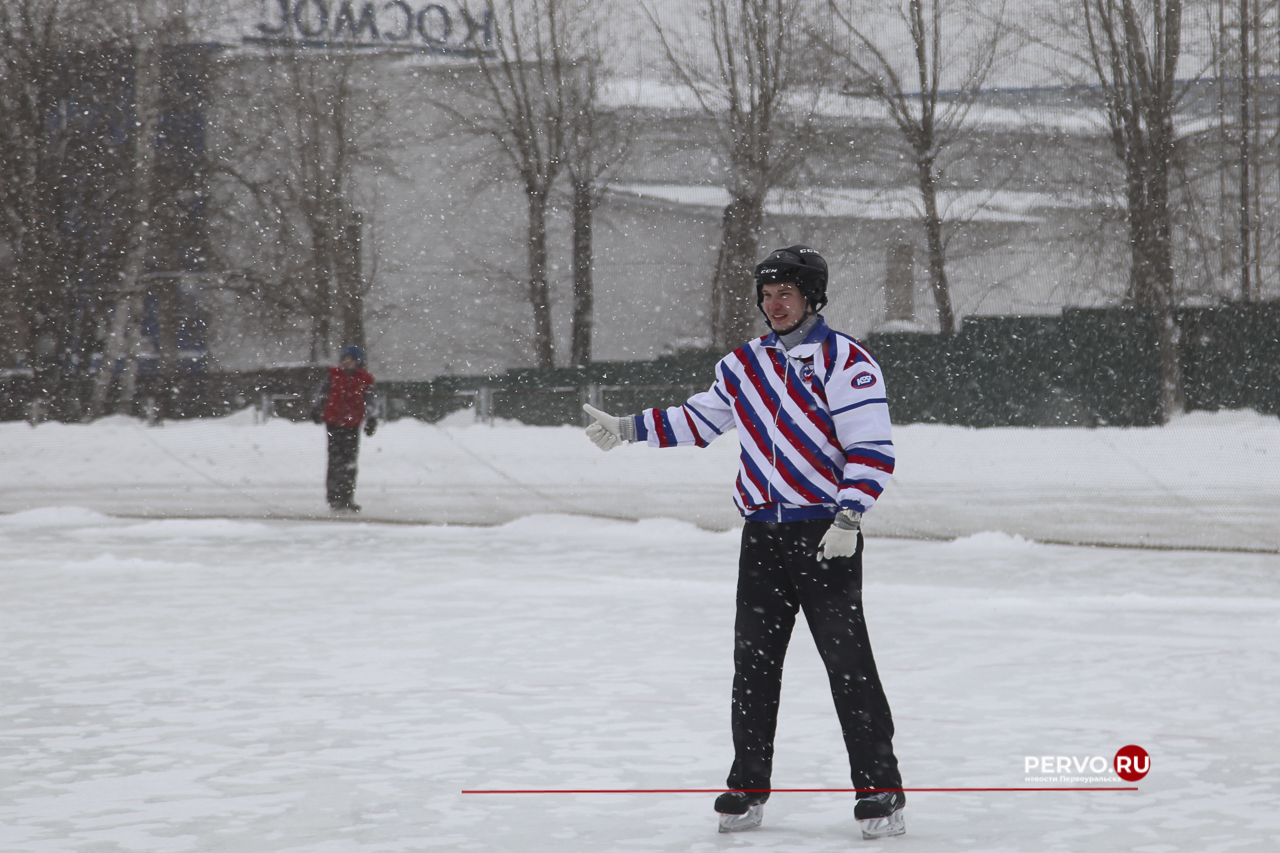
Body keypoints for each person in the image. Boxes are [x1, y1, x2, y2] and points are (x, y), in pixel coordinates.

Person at [582, 246, 905, 840]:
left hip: (825, 534)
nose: (773, 304)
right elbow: (698, 420)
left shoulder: (846, 362)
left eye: (785, 293)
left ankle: (881, 790)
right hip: (763, 536)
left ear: (812, 296)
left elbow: (871, 449)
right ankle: (747, 785)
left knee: (847, 664)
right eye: (766, 294)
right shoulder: (744, 366)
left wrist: (849, 515)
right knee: (753, 666)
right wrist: (628, 430)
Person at [311, 345, 378, 513]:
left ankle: (347, 498)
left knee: (349, 462)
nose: (348, 363)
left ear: (358, 362)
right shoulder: (334, 375)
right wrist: (317, 408)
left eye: (351, 360)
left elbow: (370, 400)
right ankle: (334, 498)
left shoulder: (365, 379)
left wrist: (371, 418)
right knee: (335, 460)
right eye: (345, 359)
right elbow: (323, 393)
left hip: (352, 424)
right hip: (333, 422)